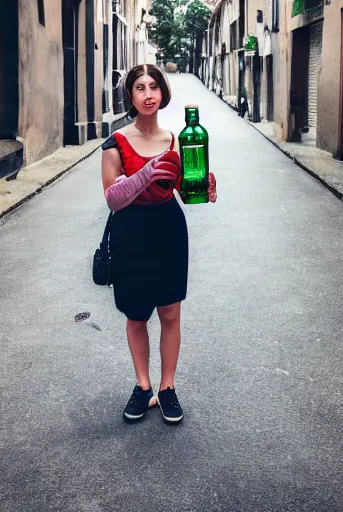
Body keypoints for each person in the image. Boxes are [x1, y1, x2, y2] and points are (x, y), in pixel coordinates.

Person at [101, 64, 217, 424]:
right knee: (137, 315)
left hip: (168, 229)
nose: (148, 94)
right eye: (140, 87)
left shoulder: (175, 139)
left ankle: (167, 388)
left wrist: (204, 188)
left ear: (163, 93)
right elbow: (114, 199)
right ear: (130, 96)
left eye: (154, 87)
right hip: (131, 232)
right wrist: (147, 171)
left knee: (169, 312)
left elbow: (181, 189)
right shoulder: (115, 143)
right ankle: (142, 386)